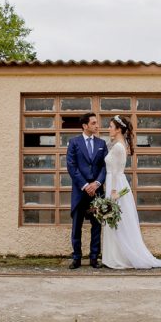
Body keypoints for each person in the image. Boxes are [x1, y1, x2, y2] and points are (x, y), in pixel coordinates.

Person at [102, 115, 161, 269]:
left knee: (116, 221)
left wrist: (113, 191)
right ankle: (115, 255)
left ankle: (117, 257)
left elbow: (114, 171)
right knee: (116, 221)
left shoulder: (119, 146)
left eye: (111, 126)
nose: (108, 129)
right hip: (116, 183)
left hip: (115, 185)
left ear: (119, 129)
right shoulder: (119, 143)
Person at [66, 112, 108, 269]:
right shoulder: (74, 142)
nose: (97, 125)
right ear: (85, 126)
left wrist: (96, 183)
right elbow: (71, 166)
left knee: (96, 225)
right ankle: (76, 258)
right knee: (76, 226)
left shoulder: (102, 143)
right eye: (94, 123)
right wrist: (85, 185)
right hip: (80, 191)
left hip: (97, 192)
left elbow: (105, 166)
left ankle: (93, 258)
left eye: (97, 123)